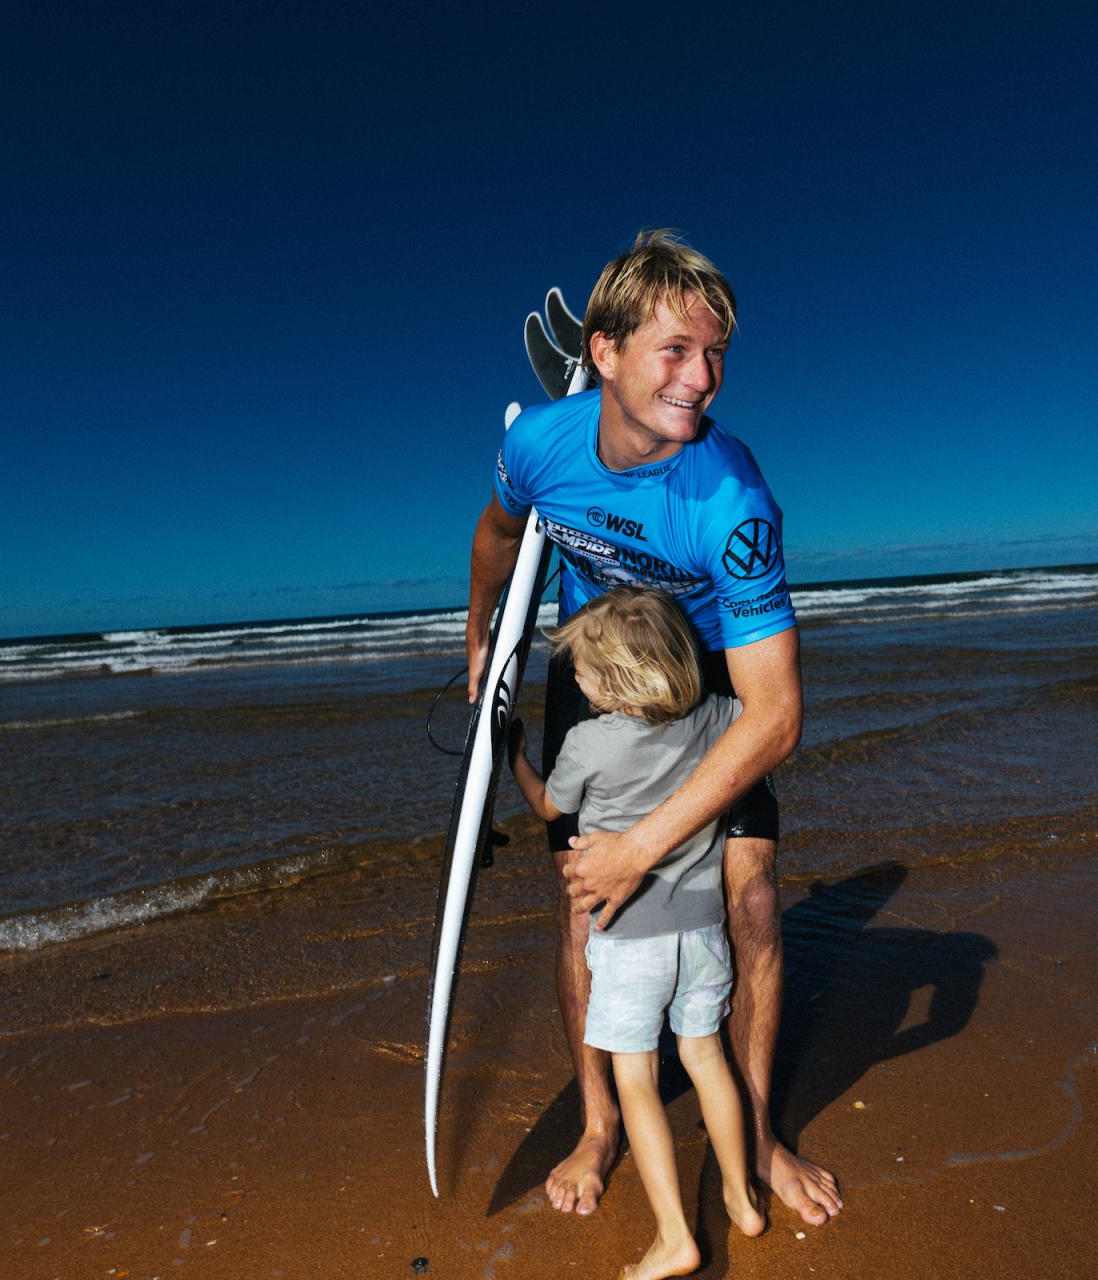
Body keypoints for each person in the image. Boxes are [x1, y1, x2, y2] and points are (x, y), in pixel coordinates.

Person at [466, 230, 842, 1223]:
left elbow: (776, 717)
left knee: (753, 901)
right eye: (675, 350)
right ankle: (600, 1124)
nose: (703, 378)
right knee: (582, 906)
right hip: (596, 656)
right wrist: (479, 636)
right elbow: (499, 533)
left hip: (706, 666)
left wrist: (643, 845)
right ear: (606, 352)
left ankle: (758, 1133)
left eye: (714, 354)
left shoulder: (732, 502)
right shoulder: (539, 446)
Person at [505, 587, 766, 1278]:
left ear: (617, 681)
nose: (575, 678)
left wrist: (516, 759)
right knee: (707, 1060)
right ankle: (741, 1199)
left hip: (628, 942)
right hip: (703, 933)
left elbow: (550, 808)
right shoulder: (715, 717)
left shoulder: (589, 742)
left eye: (584, 670)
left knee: (638, 1081)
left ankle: (675, 1237)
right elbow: (758, 718)